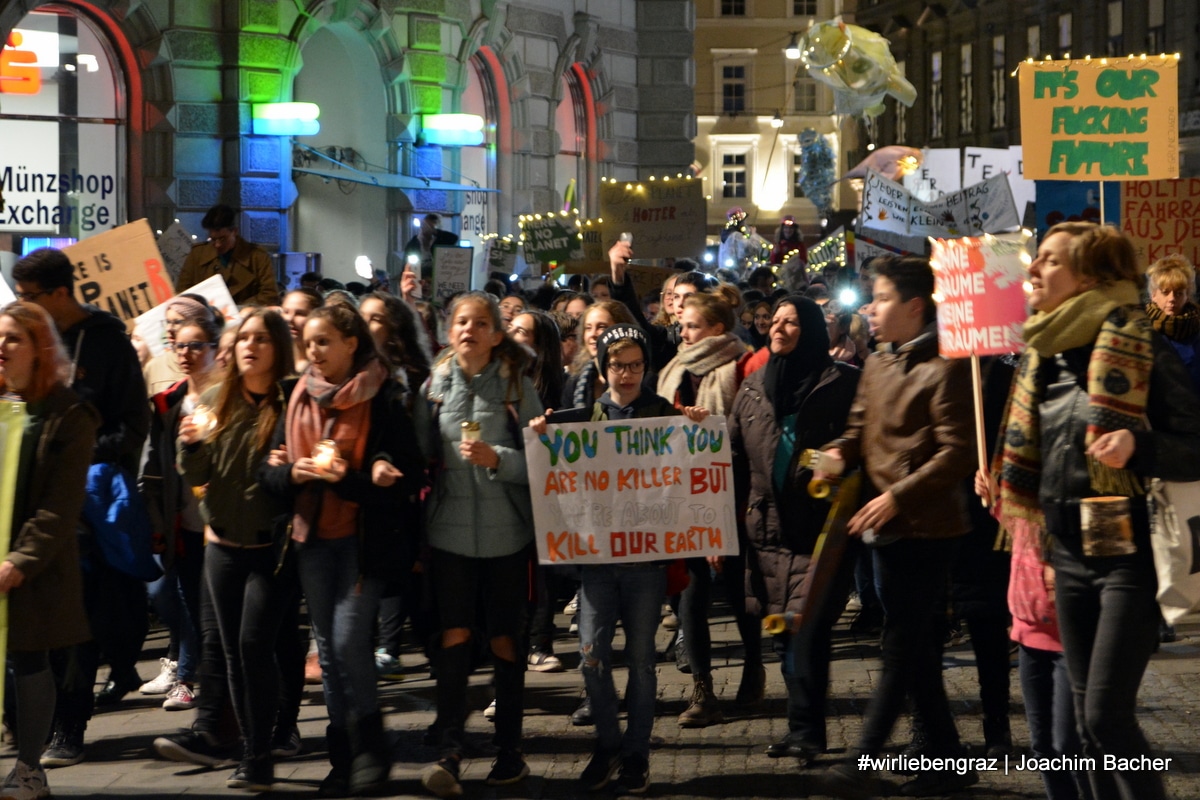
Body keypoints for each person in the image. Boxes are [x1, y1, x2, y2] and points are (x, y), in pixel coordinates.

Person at [980, 222, 1200, 800]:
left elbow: (1194, 443)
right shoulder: (1040, 353)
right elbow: (1038, 463)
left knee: (1104, 716)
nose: (1032, 271)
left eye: (1049, 261)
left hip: (1127, 560)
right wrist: (1001, 492)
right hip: (1066, 557)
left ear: (1090, 276)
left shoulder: (1139, 340)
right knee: (1082, 725)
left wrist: (1139, 447)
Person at [819, 255, 977, 798]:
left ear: (914, 306)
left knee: (901, 642)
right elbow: (859, 426)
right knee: (916, 650)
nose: (871, 308)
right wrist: (837, 453)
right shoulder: (880, 361)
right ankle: (950, 764)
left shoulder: (949, 366)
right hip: (882, 526)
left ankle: (862, 762)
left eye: (882, 297)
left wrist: (897, 496)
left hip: (928, 527)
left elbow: (959, 453)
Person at [531, 324, 705, 796]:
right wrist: (543, 436)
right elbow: (557, 468)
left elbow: (691, 471)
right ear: (603, 367)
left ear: (645, 368)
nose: (626, 374)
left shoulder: (664, 414)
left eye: (635, 365)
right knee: (591, 657)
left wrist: (697, 429)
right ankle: (608, 744)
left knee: (643, 662)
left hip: (646, 562)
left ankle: (636, 754)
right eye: (617, 365)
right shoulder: (581, 417)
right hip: (597, 561)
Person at [262, 305, 422, 797]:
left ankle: (372, 745)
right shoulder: (295, 395)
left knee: (351, 639)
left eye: (324, 341)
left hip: (362, 539)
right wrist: (292, 473)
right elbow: (268, 473)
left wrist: (354, 478)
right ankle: (344, 757)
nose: (313, 352)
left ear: (352, 344)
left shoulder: (384, 395)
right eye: (308, 343)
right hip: (311, 539)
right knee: (329, 651)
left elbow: (405, 474)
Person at [12, 248, 150, 768]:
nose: (22, 308)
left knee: (75, 622)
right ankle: (25, 724)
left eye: (30, 299)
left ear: (59, 294)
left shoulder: (109, 343)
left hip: (84, 508)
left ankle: (69, 726)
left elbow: (133, 425)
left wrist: (77, 453)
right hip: (23, 504)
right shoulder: (24, 342)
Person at [412, 292, 542, 798]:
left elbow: (541, 461)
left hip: (508, 536)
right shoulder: (434, 389)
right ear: (450, 332)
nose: (469, 329)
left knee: (506, 642)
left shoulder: (516, 386)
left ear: (495, 334)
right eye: (461, 321)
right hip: (450, 537)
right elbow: (422, 455)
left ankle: (509, 751)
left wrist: (498, 459)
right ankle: (450, 746)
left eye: (480, 322)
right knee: (454, 637)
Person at [728, 296, 860, 762]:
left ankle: (809, 730)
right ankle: (801, 726)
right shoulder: (752, 387)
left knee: (809, 630)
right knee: (784, 631)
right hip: (766, 531)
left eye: (791, 322)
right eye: (775, 321)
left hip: (820, 528)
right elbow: (735, 457)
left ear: (811, 330)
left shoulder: (842, 382)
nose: (779, 329)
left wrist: (840, 455)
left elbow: (861, 438)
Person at [176, 309, 297, 792]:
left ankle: (264, 747)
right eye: (243, 338)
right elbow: (198, 477)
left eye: (260, 339)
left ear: (277, 348)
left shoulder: (292, 404)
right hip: (222, 546)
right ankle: (252, 752)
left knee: (254, 646)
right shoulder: (213, 400)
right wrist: (190, 447)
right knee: (232, 652)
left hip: (274, 549)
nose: (249, 346)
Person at [0, 302, 98, 800]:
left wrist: (18, 561)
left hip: (32, 568)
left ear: (39, 348)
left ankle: (29, 768)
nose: (1, 347)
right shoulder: (3, 406)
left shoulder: (69, 415)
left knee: (28, 659)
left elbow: (60, 506)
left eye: (13, 338)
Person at [140, 314, 223, 714]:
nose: (186, 353)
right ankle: (196, 681)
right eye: (180, 346)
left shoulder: (230, 397)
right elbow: (155, 466)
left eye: (196, 345)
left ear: (215, 348)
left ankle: (197, 681)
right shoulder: (170, 402)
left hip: (224, 525)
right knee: (188, 603)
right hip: (185, 524)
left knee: (219, 612)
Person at [177, 205, 279, 306]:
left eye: (222, 239)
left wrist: (239, 309)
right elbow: (183, 292)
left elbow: (269, 294)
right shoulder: (197, 255)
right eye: (213, 239)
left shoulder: (257, 257)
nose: (217, 245)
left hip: (246, 318)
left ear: (234, 232)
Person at [562, 300, 638, 410]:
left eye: (601, 327)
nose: (593, 334)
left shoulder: (640, 380)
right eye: (588, 328)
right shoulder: (575, 382)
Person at [143, 295, 221, 395]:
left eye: (177, 322)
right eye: (168, 322)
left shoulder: (222, 364)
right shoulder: (153, 368)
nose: (169, 329)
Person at [1145, 253, 1200, 392]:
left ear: (1187, 296)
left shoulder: (1196, 330)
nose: (1171, 299)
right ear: (1153, 295)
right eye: (1165, 292)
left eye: (1178, 293)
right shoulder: (1142, 331)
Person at [280, 288, 324, 374]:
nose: (289, 319)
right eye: (286, 312)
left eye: (300, 313)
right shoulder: (273, 358)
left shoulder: (324, 362)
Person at [403, 213, 459, 280]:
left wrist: (434, 232)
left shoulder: (440, 239)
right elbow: (406, 261)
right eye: (426, 225)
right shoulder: (414, 242)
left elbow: (454, 238)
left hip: (437, 276)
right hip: (419, 275)